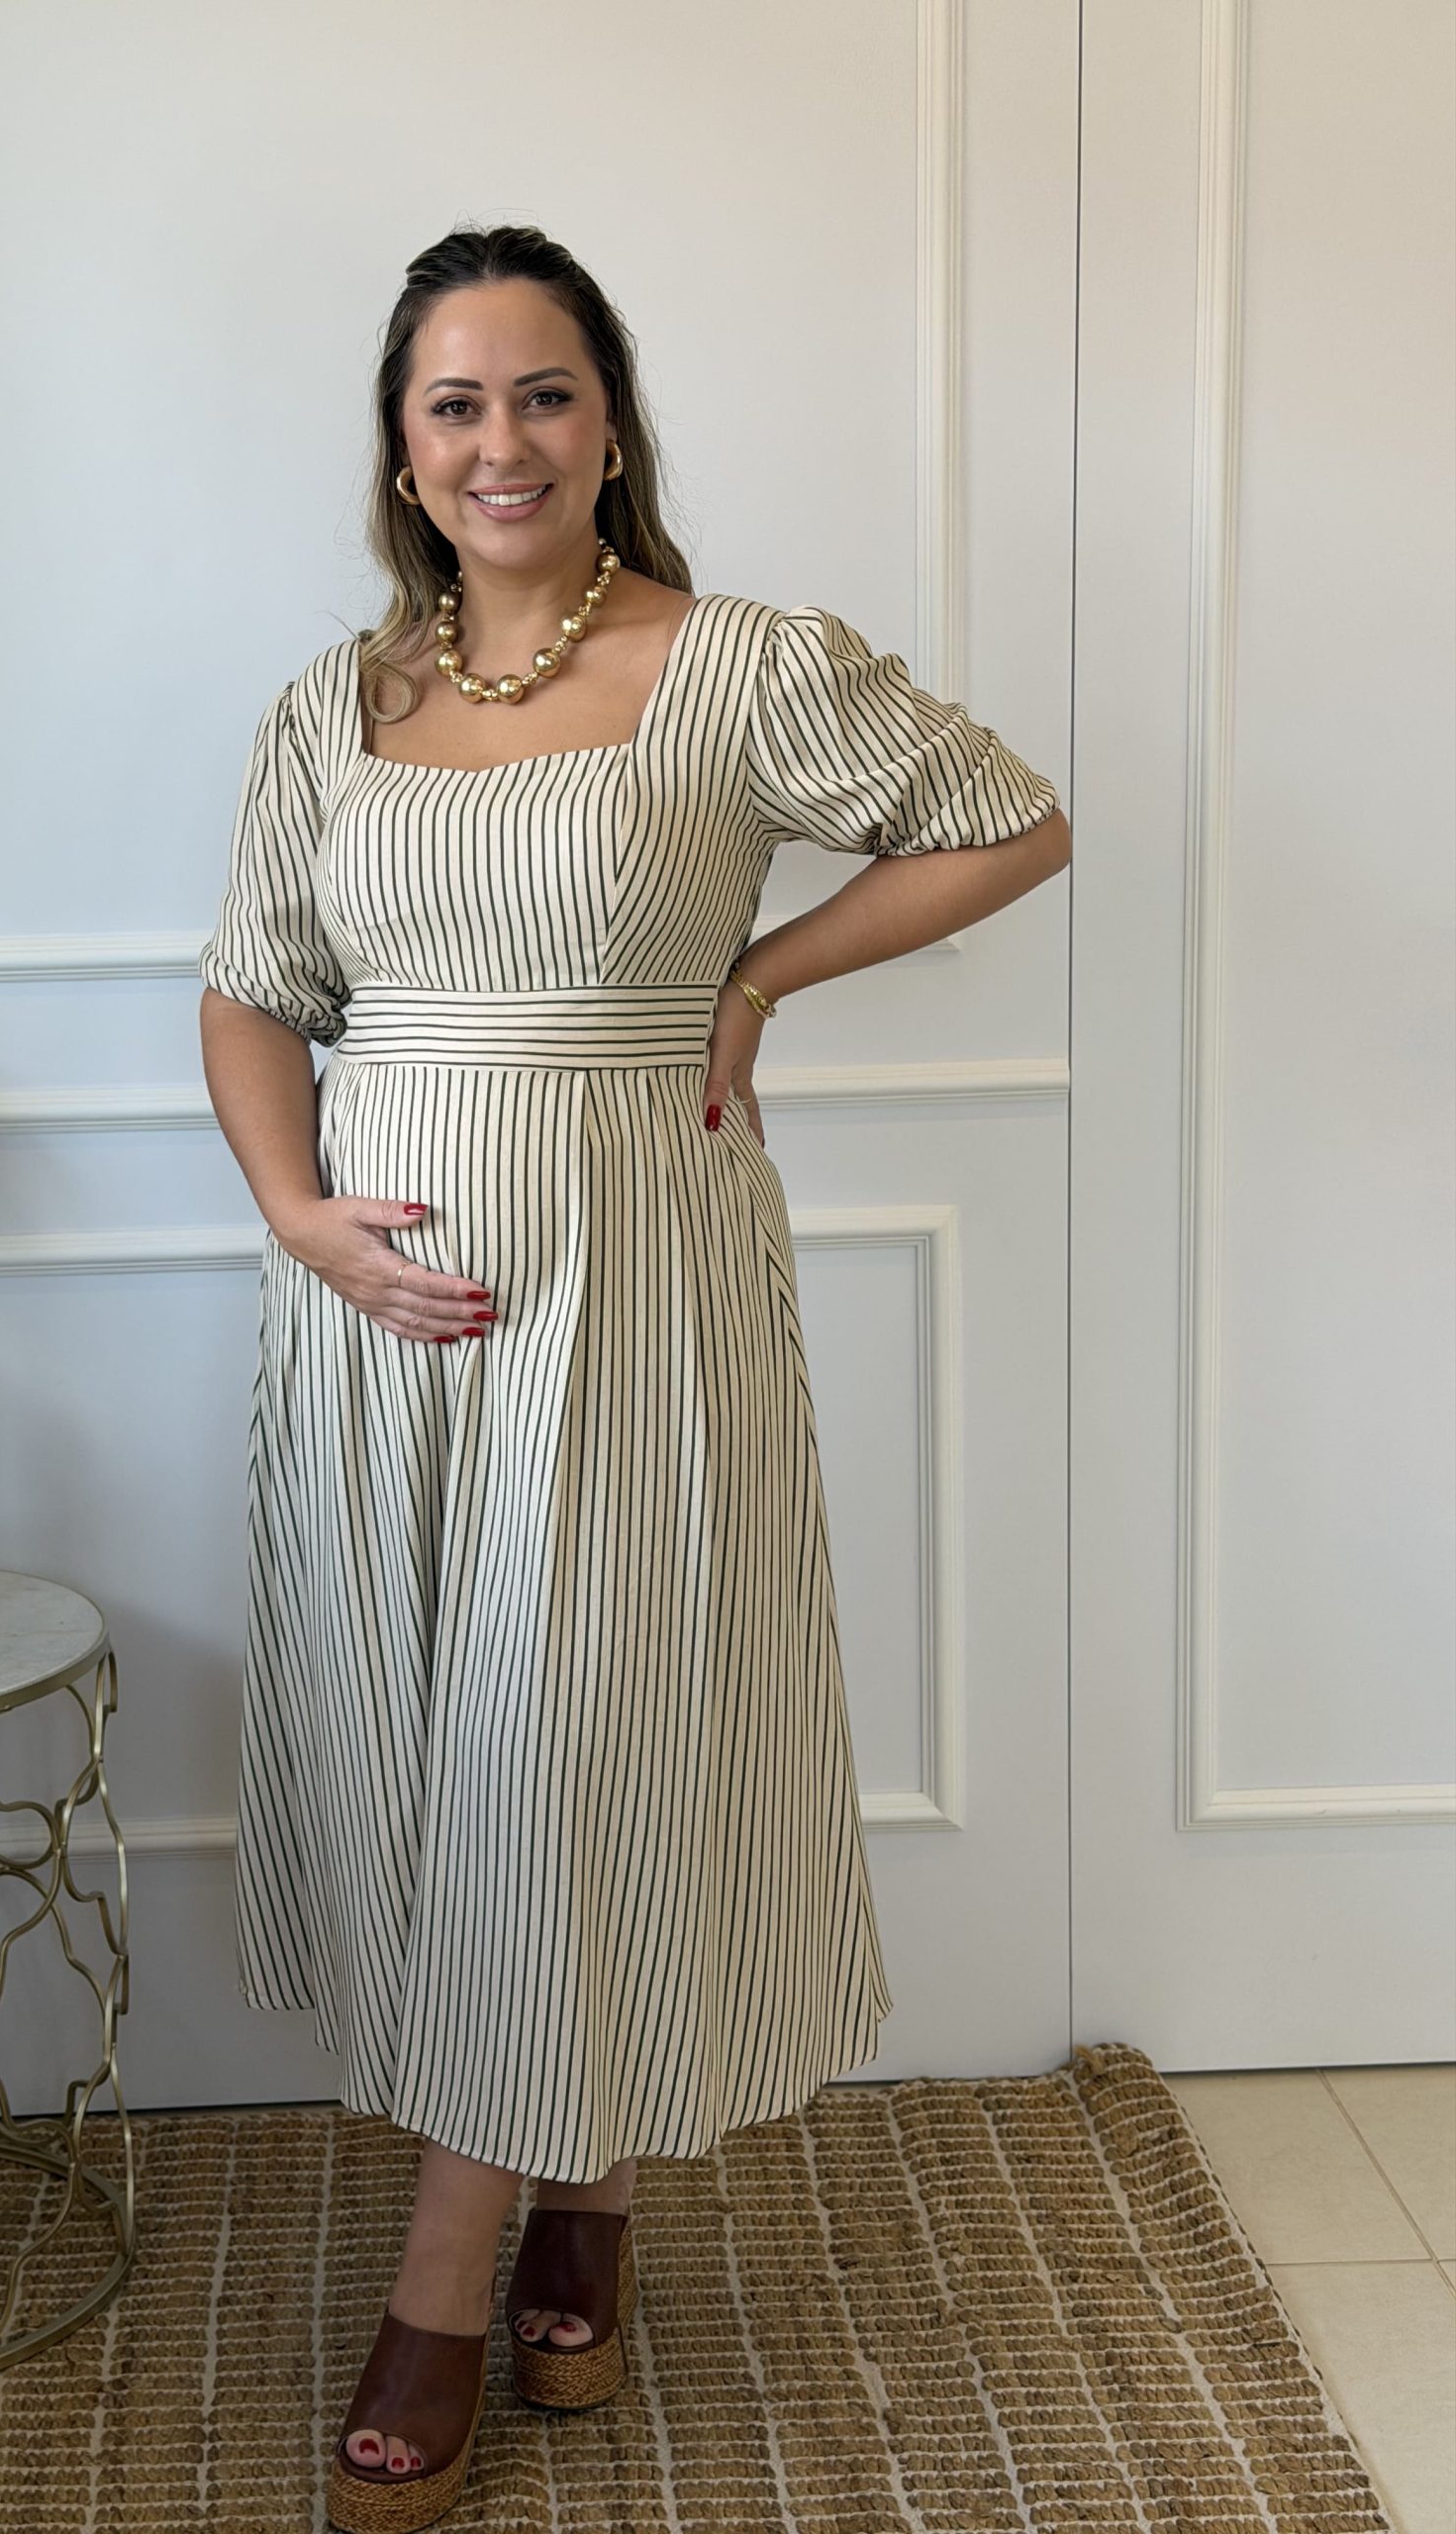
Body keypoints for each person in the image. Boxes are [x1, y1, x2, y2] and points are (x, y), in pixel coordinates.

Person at [199, 222, 1069, 2531]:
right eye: (456, 401)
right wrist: (299, 1213)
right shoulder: (333, 701)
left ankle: (442, 2285)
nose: (501, 440)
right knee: (450, 1756)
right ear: (403, 445)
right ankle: (580, 2170)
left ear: (610, 423)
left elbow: (1010, 816)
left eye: (544, 392)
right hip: (381, 1332)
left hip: (632, 1293)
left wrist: (757, 979)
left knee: (561, 1733)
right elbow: (253, 984)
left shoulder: (736, 662)